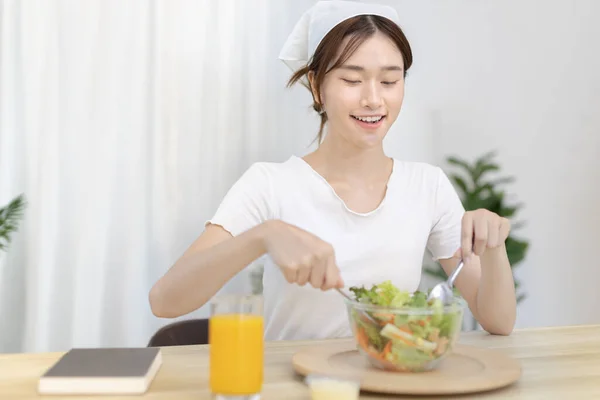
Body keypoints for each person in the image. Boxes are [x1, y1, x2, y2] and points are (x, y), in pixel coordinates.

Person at [149, 0, 517, 340]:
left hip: (389, 383)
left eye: (390, 81)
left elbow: (498, 321)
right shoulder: (270, 185)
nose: (373, 99)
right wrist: (263, 236)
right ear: (316, 86)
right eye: (352, 80)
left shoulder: (427, 186)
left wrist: (494, 248)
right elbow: (165, 301)